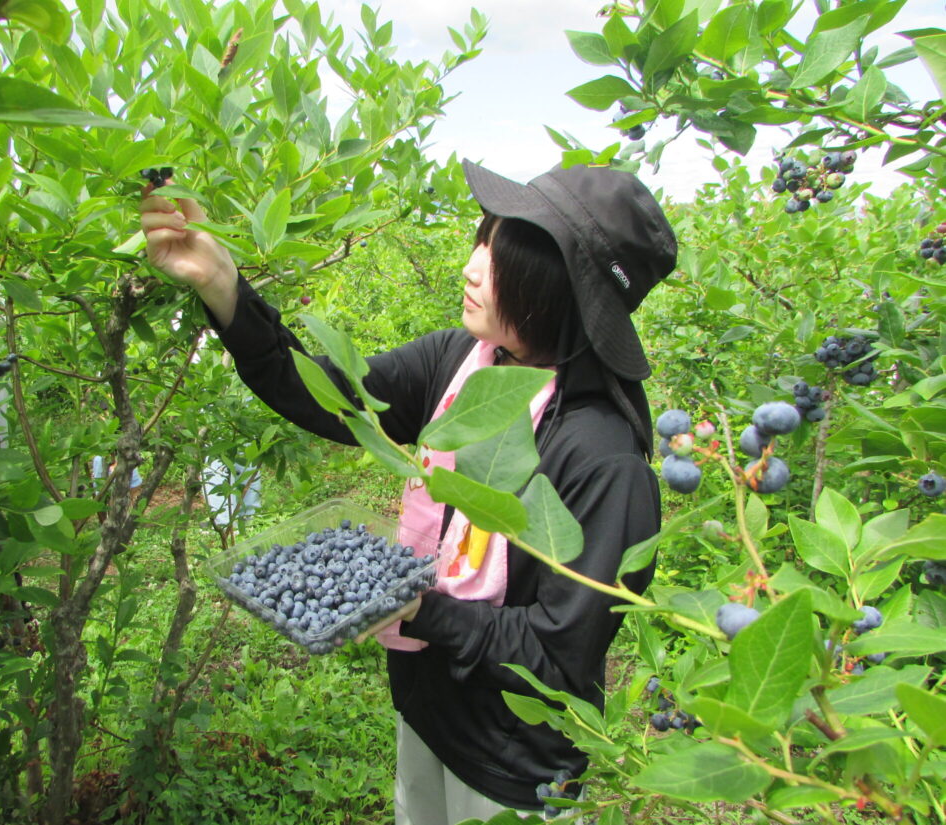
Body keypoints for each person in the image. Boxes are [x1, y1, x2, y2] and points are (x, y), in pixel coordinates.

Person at [140, 158, 677, 823]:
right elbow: (324, 394)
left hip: (514, 768)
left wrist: (417, 609)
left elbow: (558, 657)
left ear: (558, 286)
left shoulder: (602, 459)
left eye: (499, 255)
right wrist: (220, 281)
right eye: (482, 240)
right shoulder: (464, 362)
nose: (471, 267)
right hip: (426, 708)